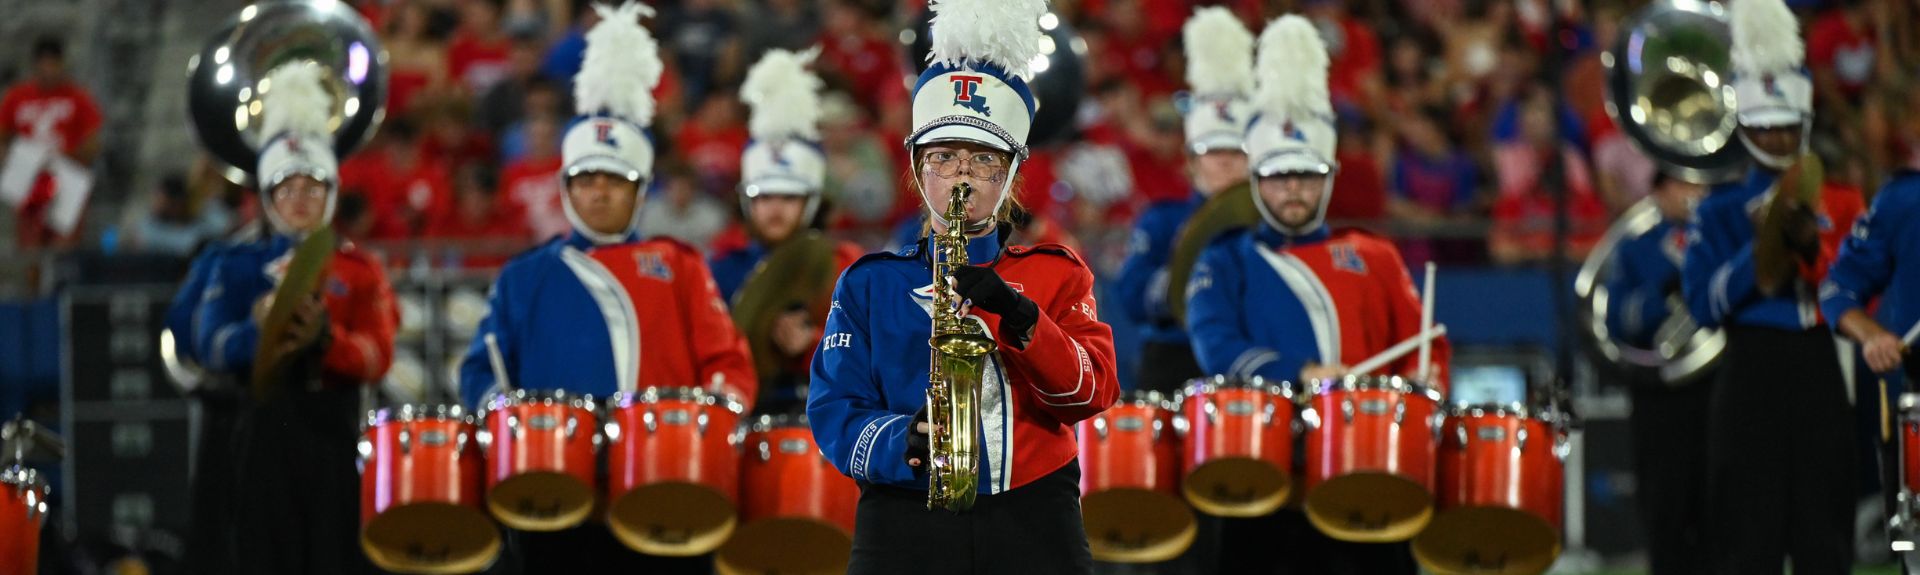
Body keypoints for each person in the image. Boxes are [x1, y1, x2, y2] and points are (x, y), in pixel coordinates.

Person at [807, 0, 1120, 572]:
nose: (962, 175)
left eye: (983, 160)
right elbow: (833, 409)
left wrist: (1021, 317)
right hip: (904, 514)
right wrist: (901, 440)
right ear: (916, 167)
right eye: (945, 157)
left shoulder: (1059, 271)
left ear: (1011, 173)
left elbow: (1092, 393)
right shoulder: (869, 284)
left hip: (1034, 514)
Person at [455, 3, 754, 572]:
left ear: (639, 191)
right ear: (566, 188)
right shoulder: (524, 275)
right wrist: (509, 421)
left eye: (614, 181)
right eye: (585, 180)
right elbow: (482, 372)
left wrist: (712, 420)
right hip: (555, 496)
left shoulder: (680, 264)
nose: (599, 193)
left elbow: (728, 363)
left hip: (662, 486)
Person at [1182, 16, 1451, 575]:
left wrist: (1425, 386)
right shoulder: (1225, 257)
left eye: (1306, 176)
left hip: (1370, 471)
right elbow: (1217, 349)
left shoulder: (1375, 255)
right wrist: (1300, 374)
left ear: (1327, 178)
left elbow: (1422, 347)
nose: (1294, 190)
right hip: (1270, 477)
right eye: (1280, 178)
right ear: (1257, 181)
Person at [190, 62, 397, 575]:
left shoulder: (360, 266)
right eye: (287, 189)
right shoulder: (232, 263)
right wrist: (255, 332)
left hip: (331, 434)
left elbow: (378, 354)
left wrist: (327, 342)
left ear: (330, 194)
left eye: (313, 188)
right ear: (267, 196)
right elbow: (206, 343)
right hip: (255, 433)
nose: (300, 200)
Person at [1680, 0, 1864, 571]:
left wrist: (1809, 242)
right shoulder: (1717, 209)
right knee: (1748, 541)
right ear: (1746, 125)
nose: (1779, 139)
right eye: (1766, 127)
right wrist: (1756, 248)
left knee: (1824, 538)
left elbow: (1851, 287)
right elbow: (1703, 305)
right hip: (1750, 371)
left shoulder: (1838, 200)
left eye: (1787, 127)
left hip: (1815, 366)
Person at [709, 48, 863, 414]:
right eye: (764, 198)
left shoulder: (845, 267)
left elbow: (869, 362)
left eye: (788, 198)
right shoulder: (721, 269)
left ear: (811, 203)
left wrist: (810, 346)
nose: (774, 208)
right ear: (748, 204)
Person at [1112, 6, 1253, 396]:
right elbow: (1131, 296)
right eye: (1213, 151)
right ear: (1191, 162)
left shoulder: (1272, 224)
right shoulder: (1162, 220)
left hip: (1248, 356)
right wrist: (1176, 274)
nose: (1225, 161)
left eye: (1236, 151)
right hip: (1176, 356)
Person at [1604, 171, 1712, 575]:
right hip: (1660, 391)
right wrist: (1660, 299)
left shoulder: (1717, 241)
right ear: (1660, 192)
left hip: (1712, 386)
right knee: (1664, 504)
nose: (1695, 196)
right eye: (1685, 186)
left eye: (1700, 187)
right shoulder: (1636, 247)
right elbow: (1618, 318)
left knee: (1715, 503)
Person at [1, 36, 102, 250]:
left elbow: (93, 142)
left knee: (63, 243)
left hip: (65, 174)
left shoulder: (77, 97)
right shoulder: (17, 97)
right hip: (30, 177)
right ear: (35, 65)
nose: (49, 70)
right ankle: (33, 282)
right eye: (44, 64)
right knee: (30, 245)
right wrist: (11, 161)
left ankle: (59, 282)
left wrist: (66, 157)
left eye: (54, 64)